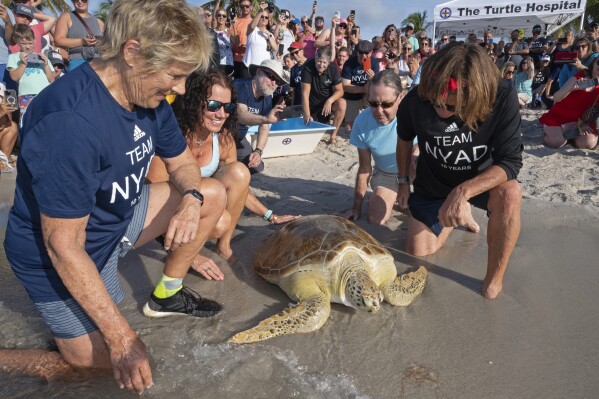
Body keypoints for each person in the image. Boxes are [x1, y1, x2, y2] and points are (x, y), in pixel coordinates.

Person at [0, 0, 224, 394]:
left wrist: (190, 198)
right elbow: (63, 246)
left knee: (211, 193)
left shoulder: (150, 99)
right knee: (99, 369)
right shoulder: (70, 122)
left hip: (113, 224)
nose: (181, 89)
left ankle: (164, 295)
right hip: (54, 256)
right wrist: (122, 339)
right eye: (175, 75)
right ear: (132, 52)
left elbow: (183, 163)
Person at [396, 42, 523, 300]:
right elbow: (404, 140)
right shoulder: (414, 99)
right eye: (434, 102)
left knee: (510, 194)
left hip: (481, 182)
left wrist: (463, 192)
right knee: (417, 252)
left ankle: (493, 281)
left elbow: (510, 162)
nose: (440, 110)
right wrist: (402, 182)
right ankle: (453, 215)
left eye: (451, 107)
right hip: (433, 181)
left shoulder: (501, 96)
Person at [147, 69, 250, 279]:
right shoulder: (171, 135)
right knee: (220, 221)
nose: (221, 114)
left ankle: (224, 246)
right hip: (164, 208)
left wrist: (269, 214)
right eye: (213, 105)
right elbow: (151, 198)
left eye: (228, 107)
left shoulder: (223, 138)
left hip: (198, 199)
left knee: (240, 171)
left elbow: (242, 187)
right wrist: (191, 256)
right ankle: (180, 250)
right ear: (194, 102)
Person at [343, 70, 405, 224]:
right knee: (376, 219)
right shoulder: (361, 122)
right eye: (373, 103)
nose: (379, 111)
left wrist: (406, 183)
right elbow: (364, 168)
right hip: (387, 174)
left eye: (386, 104)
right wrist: (356, 207)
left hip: (415, 174)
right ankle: (393, 194)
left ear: (400, 97)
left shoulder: (413, 116)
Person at [234, 58, 287, 174]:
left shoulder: (266, 96)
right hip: (221, 136)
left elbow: (264, 127)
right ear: (258, 72)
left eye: (277, 81)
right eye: (271, 77)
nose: (274, 84)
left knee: (256, 167)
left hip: (239, 138)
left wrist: (258, 151)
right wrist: (265, 119)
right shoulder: (240, 86)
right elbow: (240, 115)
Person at [539, 58, 599, 150]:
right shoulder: (580, 76)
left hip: (580, 122)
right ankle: (550, 130)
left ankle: (570, 137)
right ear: (593, 64)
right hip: (559, 117)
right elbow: (557, 97)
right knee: (557, 142)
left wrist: (586, 123)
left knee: (589, 143)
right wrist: (572, 88)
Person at [7, 24, 54, 118]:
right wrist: (23, 64)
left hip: (44, 94)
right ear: (17, 42)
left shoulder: (42, 57)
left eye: (30, 42)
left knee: (44, 120)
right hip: (25, 95)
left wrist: (46, 65)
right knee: (26, 121)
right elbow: (14, 77)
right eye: (24, 44)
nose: (28, 46)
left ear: (35, 40)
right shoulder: (14, 57)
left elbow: (52, 79)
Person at [301, 46, 346, 144]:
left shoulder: (333, 69)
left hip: (326, 105)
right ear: (315, 58)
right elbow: (305, 93)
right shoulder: (308, 67)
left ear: (329, 63)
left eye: (324, 62)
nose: (321, 65)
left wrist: (329, 101)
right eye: (319, 61)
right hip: (311, 104)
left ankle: (333, 135)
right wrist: (307, 114)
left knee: (342, 103)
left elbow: (340, 91)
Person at [54, 0, 105, 72]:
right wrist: (82, 41)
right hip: (77, 62)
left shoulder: (99, 22)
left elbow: (106, 45)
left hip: (98, 63)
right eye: (76, 0)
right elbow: (58, 40)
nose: (80, 1)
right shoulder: (66, 16)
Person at [341, 40, 379, 131]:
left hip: (368, 97)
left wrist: (373, 78)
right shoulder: (349, 63)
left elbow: (377, 85)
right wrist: (363, 89)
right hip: (352, 96)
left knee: (370, 124)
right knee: (349, 128)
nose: (363, 55)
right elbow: (345, 86)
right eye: (360, 52)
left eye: (366, 53)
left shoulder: (374, 63)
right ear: (357, 52)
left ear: (371, 53)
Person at [243, 2, 277, 69]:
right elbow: (252, 26)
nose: (264, 18)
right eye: (262, 17)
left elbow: (275, 48)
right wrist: (261, 11)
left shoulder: (269, 34)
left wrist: (267, 33)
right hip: (249, 66)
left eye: (266, 17)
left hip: (263, 68)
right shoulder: (252, 30)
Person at [232, 0, 253, 78]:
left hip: (251, 60)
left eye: (247, 6)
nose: (245, 8)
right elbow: (232, 39)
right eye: (242, 6)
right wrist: (237, 47)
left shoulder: (255, 22)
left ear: (251, 7)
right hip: (238, 59)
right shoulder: (235, 21)